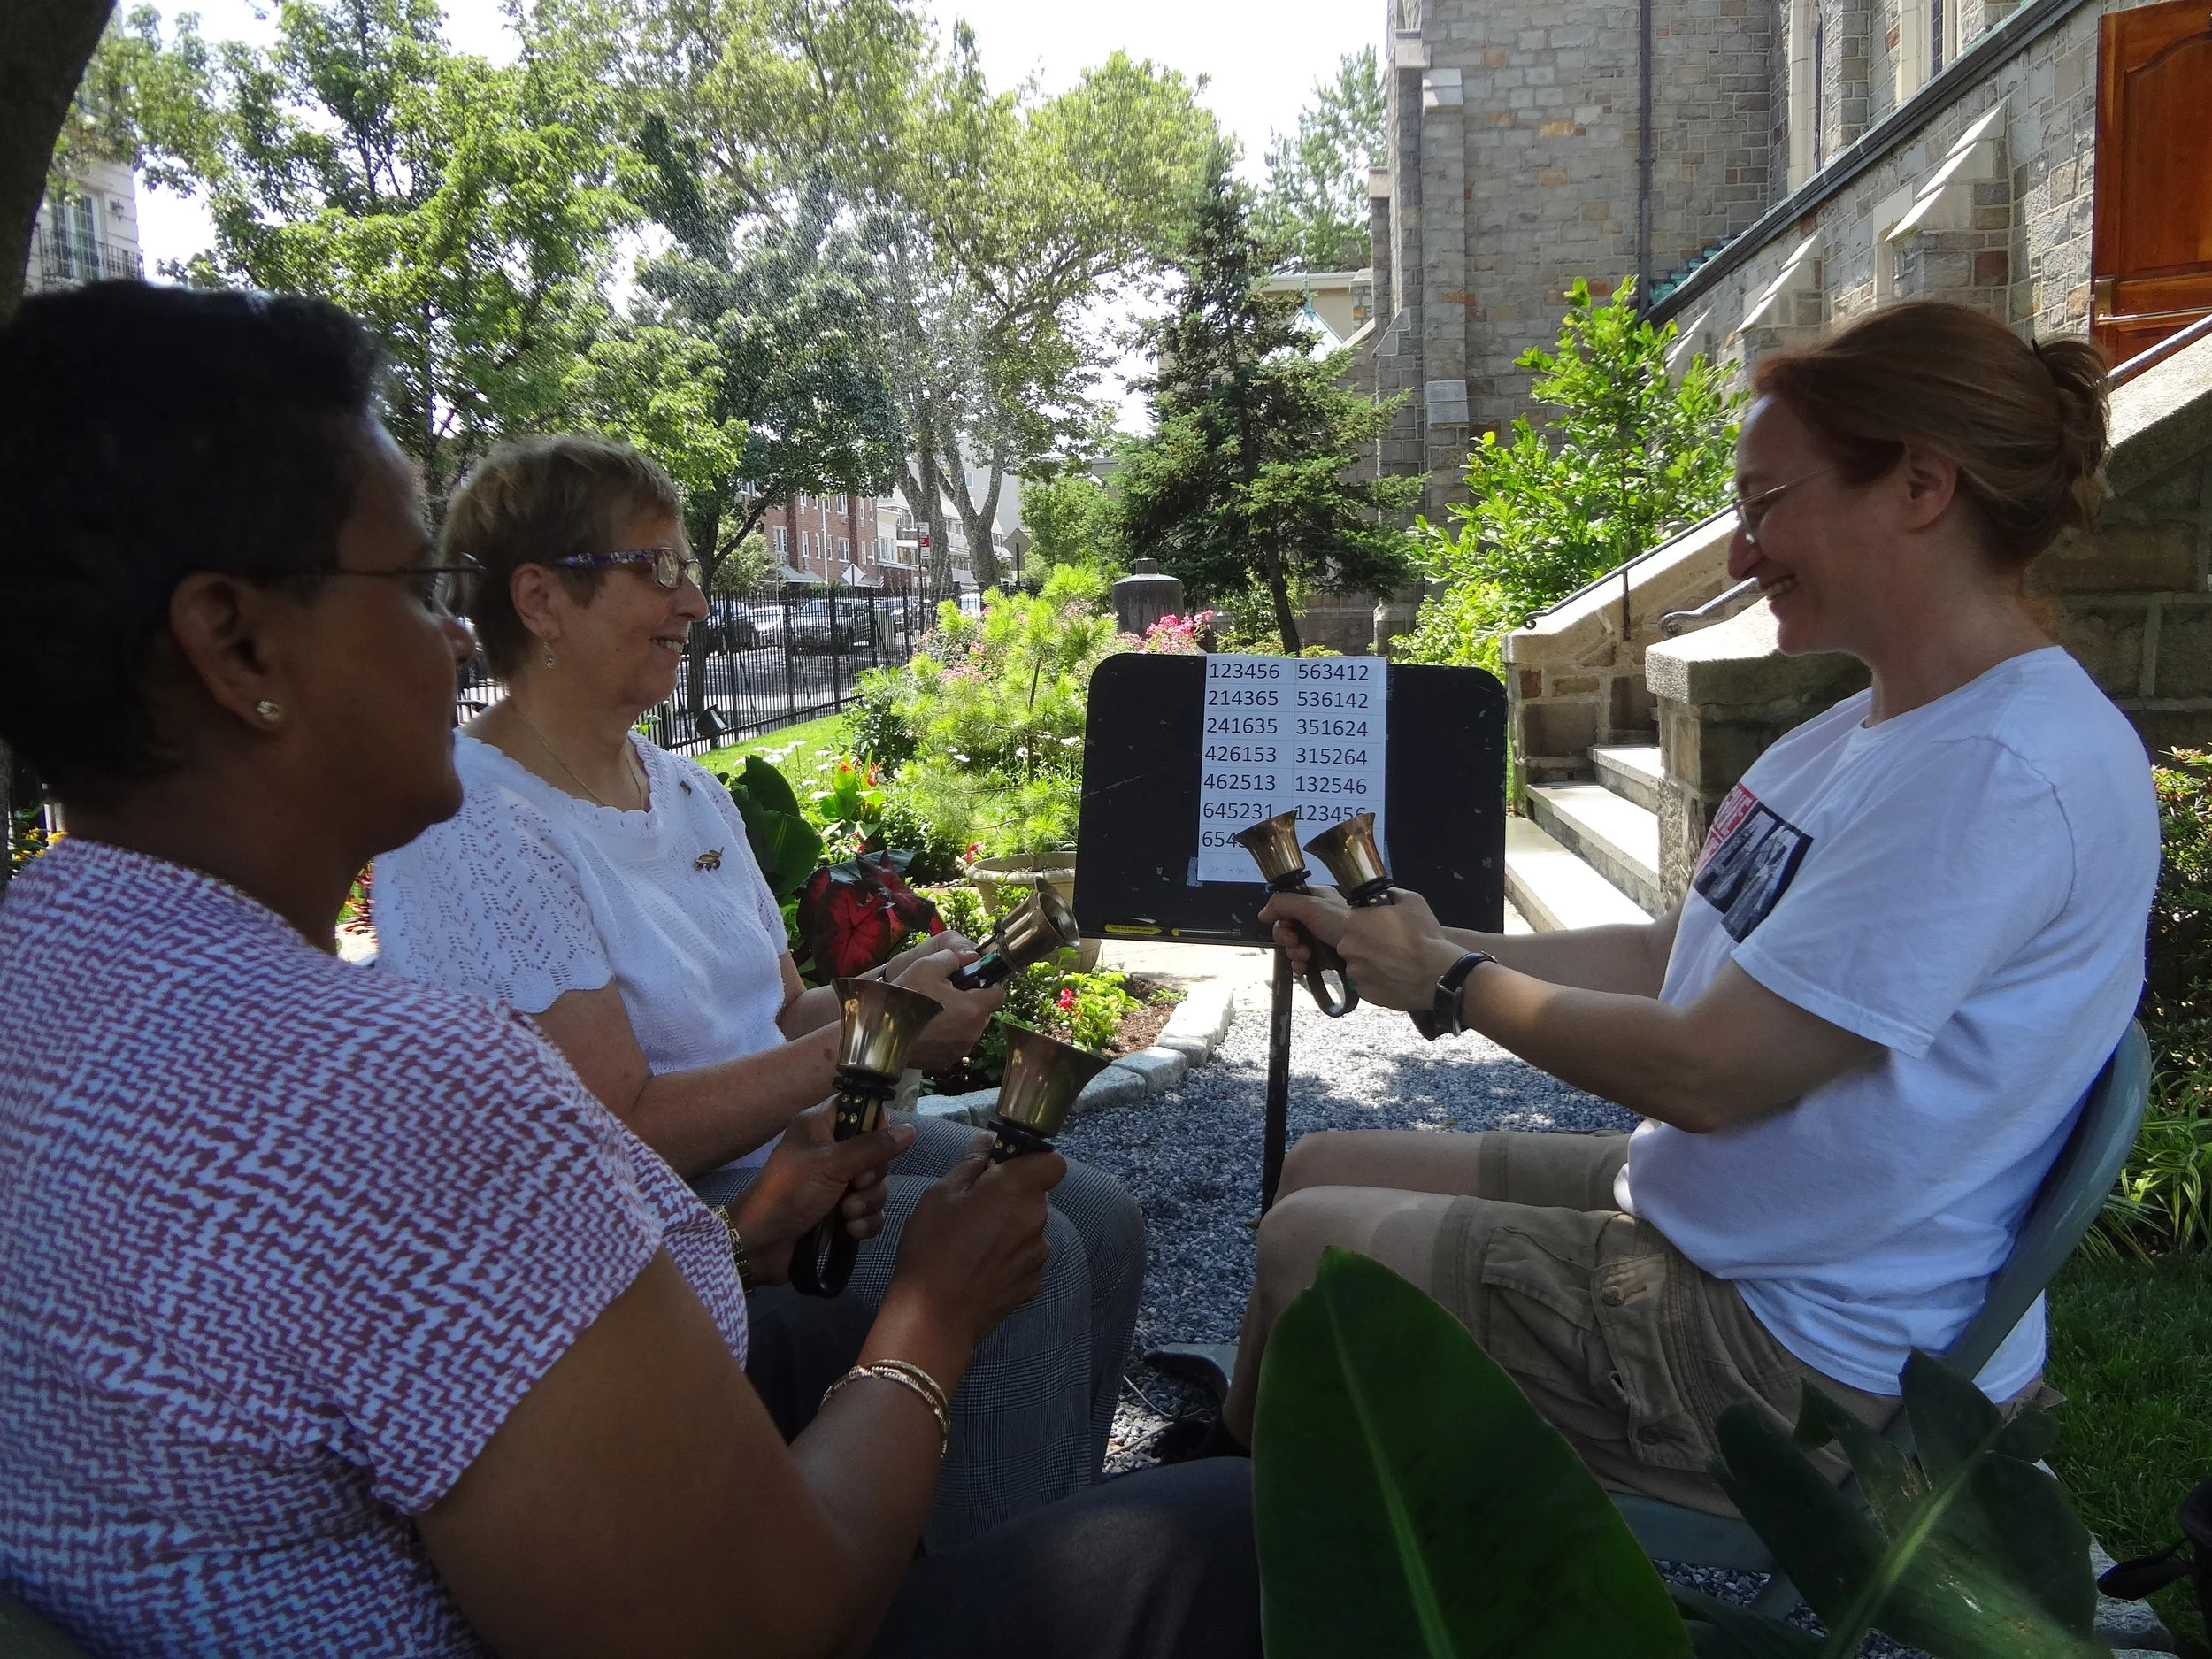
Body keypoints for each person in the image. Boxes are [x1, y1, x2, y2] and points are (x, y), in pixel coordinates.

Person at [0, 281, 1256, 1658]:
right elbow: (756, 1620)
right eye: (416, 586)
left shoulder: (45, 976)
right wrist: (929, 1315)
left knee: (1088, 1227)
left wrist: (743, 1230)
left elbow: (437, 1327)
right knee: (1232, 1527)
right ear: (237, 644)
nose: (454, 635)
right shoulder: (389, 1091)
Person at [1210, 301, 2157, 1512]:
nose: (1741, 551)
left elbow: (1709, 1072)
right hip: (1731, 1232)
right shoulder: (1874, 722)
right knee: (1323, 1162)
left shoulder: (2005, 770)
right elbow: (1686, 950)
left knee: (1307, 1251)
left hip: (1812, 1363)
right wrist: (1438, 936)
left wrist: (1446, 982)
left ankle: (1229, 1539)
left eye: (1766, 504)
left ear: (1923, 485)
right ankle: (1236, 1492)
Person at [368, 434, 1145, 1548]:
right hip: (652, 1217)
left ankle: (1051, 1541)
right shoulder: (475, 827)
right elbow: (612, 1130)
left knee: (1103, 1218)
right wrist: (877, 1041)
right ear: (540, 598)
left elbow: (784, 1015)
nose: (693, 597)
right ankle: (988, 1604)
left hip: (784, 1146)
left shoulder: (682, 790)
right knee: (1037, 1264)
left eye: (687, 566)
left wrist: (902, 994)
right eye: (657, 567)